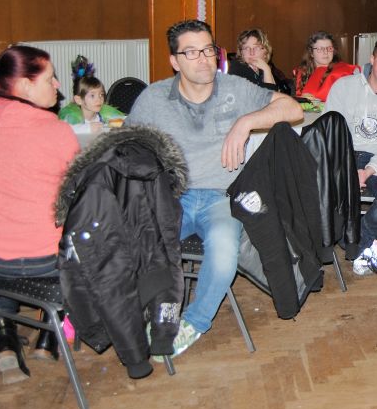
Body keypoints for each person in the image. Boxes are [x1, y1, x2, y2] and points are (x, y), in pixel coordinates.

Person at [126, 19, 303, 359]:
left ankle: (193, 322)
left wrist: (245, 122)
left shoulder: (234, 88)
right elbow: (127, 147)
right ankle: (153, 315)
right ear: (174, 61)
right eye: (191, 52)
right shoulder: (154, 98)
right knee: (139, 245)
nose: (204, 59)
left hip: (222, 197)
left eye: (208, 50)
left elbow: (292, 108)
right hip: (173, 196)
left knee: (224, 254)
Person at [0, 46, 79, 384]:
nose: (58, 85)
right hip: (47, 262)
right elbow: (78, 196)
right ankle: (48, 336)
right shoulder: (57, 130)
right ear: (24, 86)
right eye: (50, 79)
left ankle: (4, 338)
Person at [325, 35, 377, 277]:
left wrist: (369, 169)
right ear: (372, 59)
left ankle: (353, 242)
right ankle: (368, 247)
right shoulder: (343, 87)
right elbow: (332, 135)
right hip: (343, 157)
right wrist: (348, 167)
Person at [293, 31, 359, 102]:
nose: (325, 52)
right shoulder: (301, 73)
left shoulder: (344, 72)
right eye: (320, 49)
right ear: (311, 53)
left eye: (329, 48)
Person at [227, 28, 292, 94]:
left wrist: (266, 69)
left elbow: (277, 93)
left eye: (256, 48)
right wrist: (266, 69)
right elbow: (269, 97)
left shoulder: (260, 70)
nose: (251, 52)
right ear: (241, 53)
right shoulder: (237, 69)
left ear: (265, 52)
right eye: (246, 48)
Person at [58, 74, 125, 133]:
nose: (99, 99)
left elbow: (126, 122)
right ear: (79, 100)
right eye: (92, 96)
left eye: (101, 95)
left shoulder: (103, 117)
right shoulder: (71, 120)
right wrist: (87, 128)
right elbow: (62, 131)